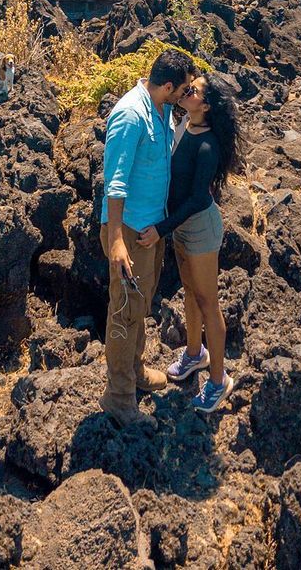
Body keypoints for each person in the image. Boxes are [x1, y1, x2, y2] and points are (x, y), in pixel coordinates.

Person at [137, 74, 244, 414]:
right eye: (188, 86)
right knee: (189, 292)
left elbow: (198, 199)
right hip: (182, 227)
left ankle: (219, 381)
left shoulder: (207, 145)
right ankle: (195, 354)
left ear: (206, 106)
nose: (187, 91)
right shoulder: (184, 123)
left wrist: (161, 229)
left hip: (199, 229)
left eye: (193, 90)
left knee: (208, 302)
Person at [99, 48, 195, 424]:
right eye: (183, 90)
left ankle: (135, 372)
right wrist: (117, 241)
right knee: (124, 311)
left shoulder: (163, 109)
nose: (186, 95)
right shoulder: (130, 115)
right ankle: (119, 397)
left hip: (150, 230)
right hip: (128, 231)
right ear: (168, 86)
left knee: (139, 306)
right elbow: (115, 182)